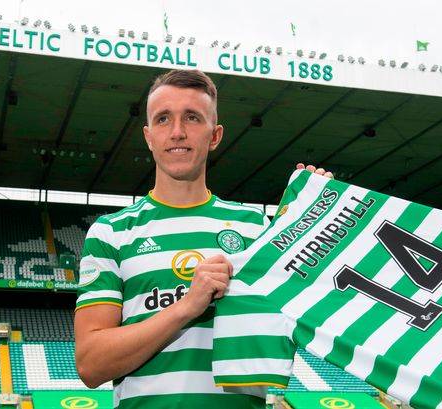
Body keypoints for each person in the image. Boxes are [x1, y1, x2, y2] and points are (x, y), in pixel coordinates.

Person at [74, 69, 332, 408]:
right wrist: (186, 307)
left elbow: (296, 321)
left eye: (192, 118)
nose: (177, 132)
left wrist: (311, 225)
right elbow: (91, 365)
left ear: (215, 135)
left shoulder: (255, 227)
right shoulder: (111, 232)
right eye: (163, 119)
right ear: (149, 136)